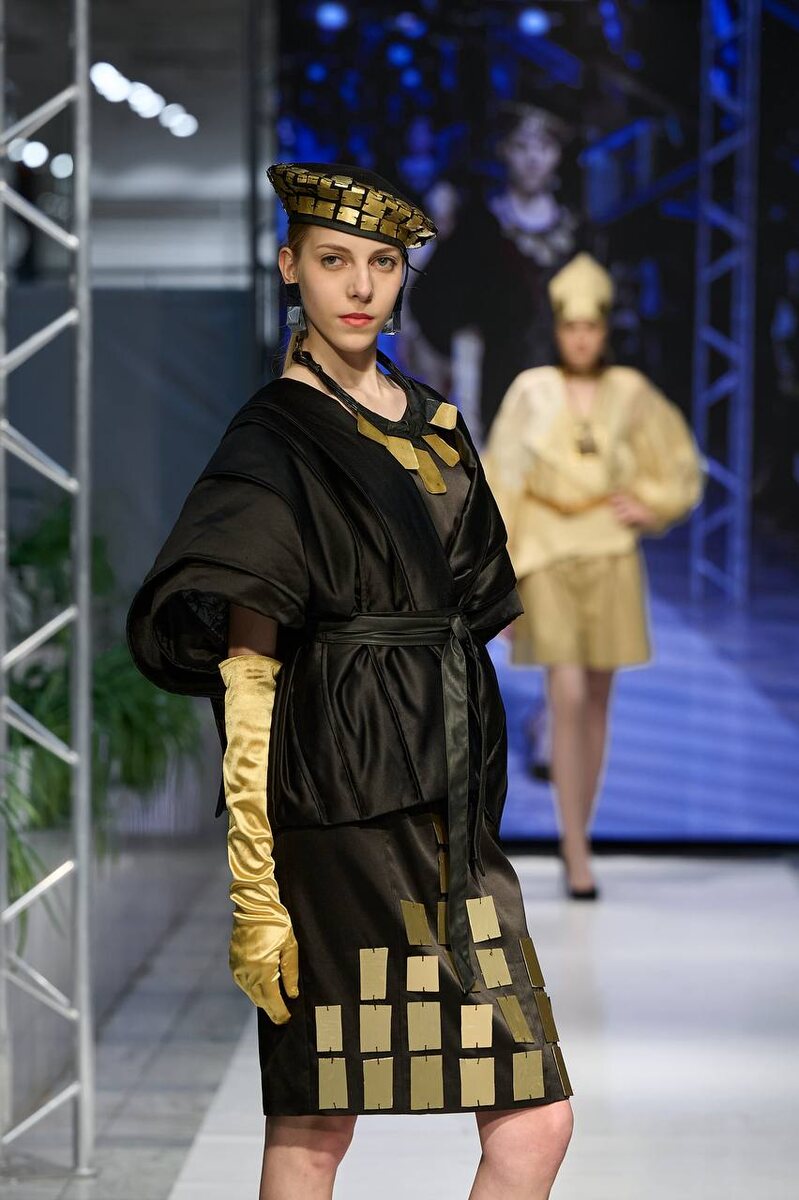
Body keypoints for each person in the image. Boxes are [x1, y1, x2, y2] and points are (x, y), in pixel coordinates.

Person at [127, 162, 573, 1200]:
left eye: (382, 262)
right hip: (336, 812)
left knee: (534, 1118)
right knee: (318, 1119)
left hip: (449, 810)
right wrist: (254, 889)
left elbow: (479, 603)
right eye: (334, 260)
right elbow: (248, 674)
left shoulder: (437, 424)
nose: (361, 286)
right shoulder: (274, 440)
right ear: (291, 268)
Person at [483, 253, 704, 899]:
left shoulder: (630, 391)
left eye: (591, 327)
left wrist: (652, 503)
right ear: (556, 328)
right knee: (568, 694)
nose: (580, 338)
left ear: (605, 330)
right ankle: (574, 849)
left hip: (609, 551)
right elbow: (501, 481)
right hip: (548, 551)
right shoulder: (531, 390)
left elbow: (677, 462)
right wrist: (500, 578)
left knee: (599, 700)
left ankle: (578, 836)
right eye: (570, 326)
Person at [408, 103, 579, 444]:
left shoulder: (576, 232)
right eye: (521, 147)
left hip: (561, 383)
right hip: (492, 385)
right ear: (504, 151)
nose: (533, 159)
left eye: (544, 148)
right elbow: (435, 299)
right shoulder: (480, 226)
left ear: (558, 155)